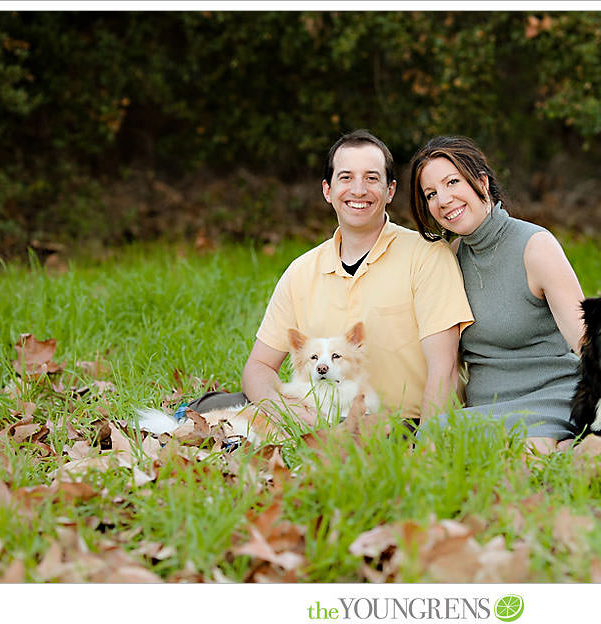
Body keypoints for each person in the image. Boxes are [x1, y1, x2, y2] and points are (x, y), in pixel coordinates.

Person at [187, 130, 474, 428]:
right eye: (346, 177)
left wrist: (427, 445)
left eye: (372, 178)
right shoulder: (301, 271)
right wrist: (283, 410)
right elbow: (258, 367)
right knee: (209, 407)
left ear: (390, 190)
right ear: (328, 190)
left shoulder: (427, 257)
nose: (359, 190)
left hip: (398, 423)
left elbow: (445, 370)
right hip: (316, 419)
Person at [408, 135, 601, 453]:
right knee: (433, 445)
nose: (443, 200)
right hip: (486, 410)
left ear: (482, 182)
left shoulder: (535, 247)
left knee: (523, 460)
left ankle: (570, 447)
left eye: (452, 182)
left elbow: (590, 342)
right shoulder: (449, 258)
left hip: (550, 400)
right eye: (431, 193)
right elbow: (444, 365)